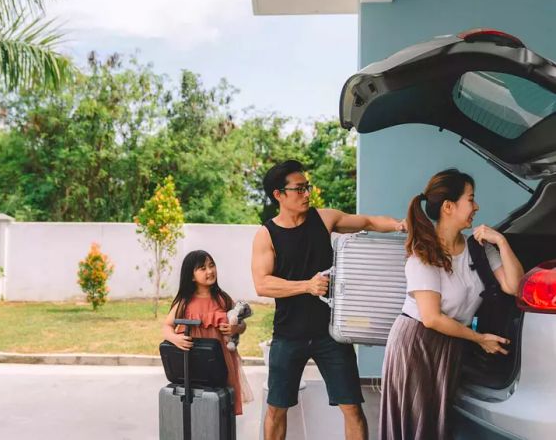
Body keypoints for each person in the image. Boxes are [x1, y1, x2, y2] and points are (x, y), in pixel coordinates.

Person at [251, 160, 405, 440]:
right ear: (279, 195)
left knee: (352, 408)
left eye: (307, 187)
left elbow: (368, 221)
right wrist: (307, 286)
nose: (307, 194)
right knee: (276, 409)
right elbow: (263, 284)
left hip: (331, 335)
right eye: (299, 189)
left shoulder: (324, 219)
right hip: (288, 335)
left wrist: (399, 225)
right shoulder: (266, 235)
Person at [379, 168, 524, 440]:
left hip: (451, 342)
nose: (476, 206)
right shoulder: (423, 255)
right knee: (418, 425)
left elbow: (515, 287)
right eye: (471, 199)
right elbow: (431, 318)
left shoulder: (479, 248)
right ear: (449, 206)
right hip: (417, 345)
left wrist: (502, 241)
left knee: (437, 425)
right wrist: (479, 338)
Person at [163, 249, 253, 415]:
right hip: (194, 360)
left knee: (221, 405)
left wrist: (235, 328)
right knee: (197, 405)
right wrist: (175, 339)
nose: (210, 271)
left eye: (212, 265)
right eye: (202, 268)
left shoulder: (223, 299)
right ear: (191, 276)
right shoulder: (184, 302)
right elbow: (167, 327)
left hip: (222, 360)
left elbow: (242, 325)